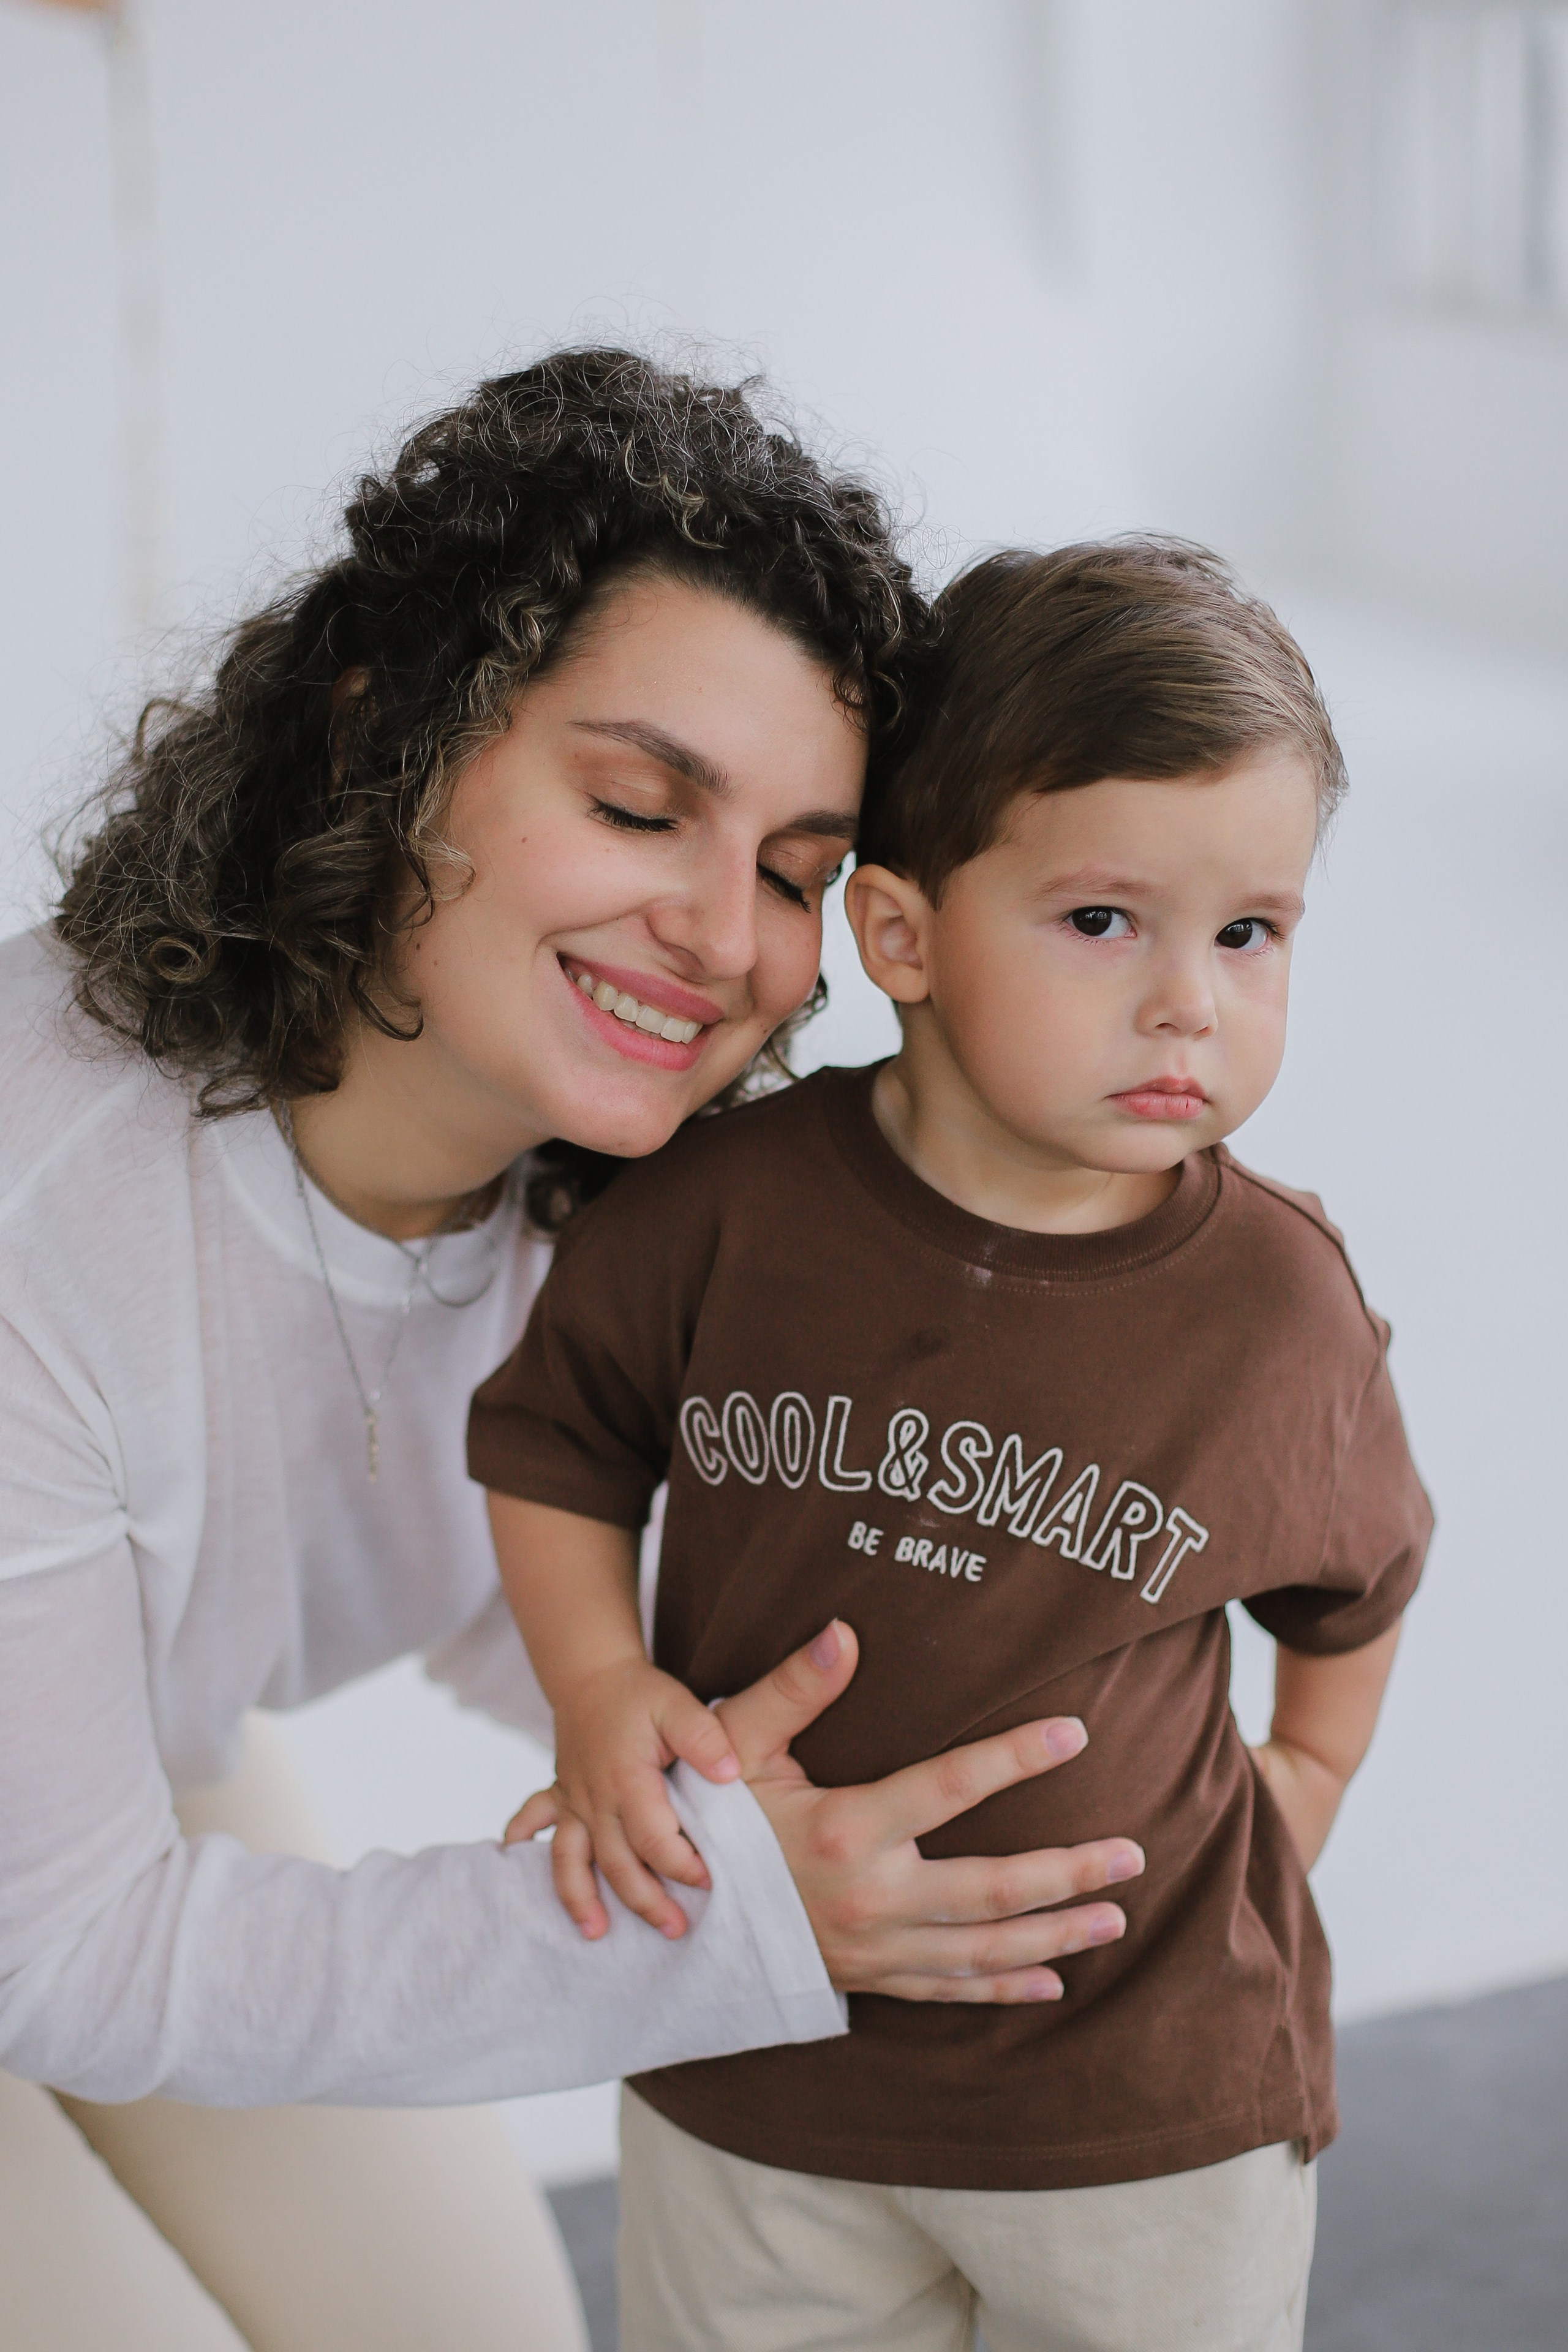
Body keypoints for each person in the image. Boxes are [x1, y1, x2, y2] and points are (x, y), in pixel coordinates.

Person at [0, 358, 1148, 2352]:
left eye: (796, 873)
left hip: (115, 1762)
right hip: (60, 1893)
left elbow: (496, 1578)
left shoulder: (605, 1194)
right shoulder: (41, 1213)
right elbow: (77, 1949)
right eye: (637, 805)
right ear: (389, 734)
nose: (723, 935)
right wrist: (752, 1912)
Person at [472, 539, 1434, 2352]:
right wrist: (599, 1690)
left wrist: (1303, 1789)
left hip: (1143, 2107)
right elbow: (558, 1446)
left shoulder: (1276, 1305)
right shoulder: (717, 1210)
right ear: (900, 934)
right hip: (751, 2068)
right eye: (1102, 921)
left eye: (1251, 933)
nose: (1189, 1003)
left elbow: (1362, 1580)